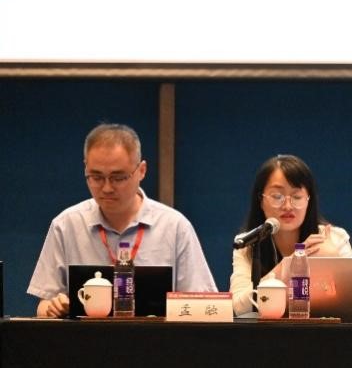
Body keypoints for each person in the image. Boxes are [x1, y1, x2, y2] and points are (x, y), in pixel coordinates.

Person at [28, 123, 217, 318]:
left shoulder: (174, 227)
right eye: (96, 177)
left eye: (118, 178)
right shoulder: (66, 225)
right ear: (85, 168)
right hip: (85, 337)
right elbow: (44, 304)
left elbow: (203, 306)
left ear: (141, 170)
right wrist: (53, 308)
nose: (107, 188)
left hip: (156, 337)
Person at [229, 154, 352, 315]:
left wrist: (332, 258)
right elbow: (238, 307)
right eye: (277, 196)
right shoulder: (247, 243)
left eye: (297, 197)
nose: (288, 206)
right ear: (261, 200)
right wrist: (287, 267)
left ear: (308, 201)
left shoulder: (334, 239)